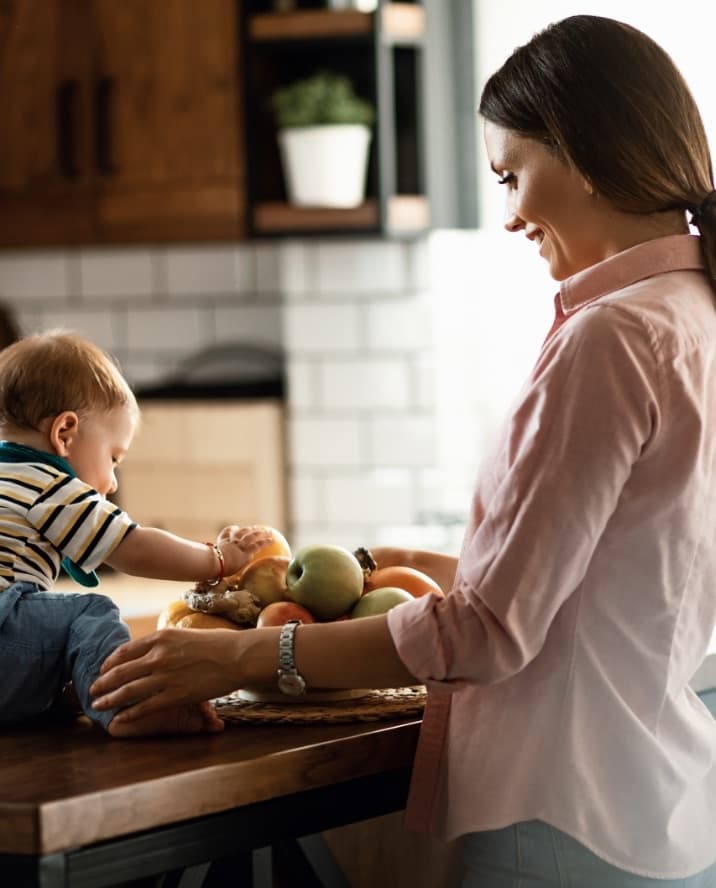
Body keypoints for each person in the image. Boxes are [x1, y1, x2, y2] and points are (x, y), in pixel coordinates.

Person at [90, 14, 716, 885]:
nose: (508, 215)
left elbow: (493, 635)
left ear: (578, 146)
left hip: (565, 824)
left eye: (511, 176)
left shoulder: (610, 339)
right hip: (654, 811)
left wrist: (236, 656)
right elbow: (615, 578)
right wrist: (432, 562)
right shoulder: (693, 314)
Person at [0, 330, 271, 738]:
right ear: (65, 433)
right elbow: (133, 548)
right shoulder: (50, 486)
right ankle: (130, 705)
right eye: (113, 458)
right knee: (90, 613)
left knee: (49, 618)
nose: (110, 483)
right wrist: (217, 559)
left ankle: (66, 692)